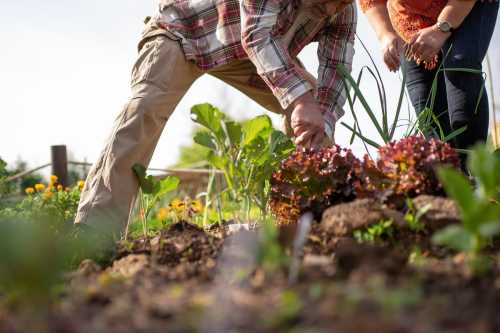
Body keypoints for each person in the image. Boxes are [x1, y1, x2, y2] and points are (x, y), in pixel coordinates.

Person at [74, 0, 357, 236]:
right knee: (146, 108)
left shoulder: (343, 10)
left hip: (245, 54)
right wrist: (300, 100)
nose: (331, 8)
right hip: (184, 32)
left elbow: (336, 70)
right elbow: (257, 33)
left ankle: (311, 222)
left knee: (315, 116)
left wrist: (319, 120)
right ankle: (94, 233)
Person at [360, 0, 499, 168]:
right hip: (410, 14)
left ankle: (474, 170)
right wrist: (385, 34)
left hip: (469, 5)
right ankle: (448, 177)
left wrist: (441, 29)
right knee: (426, 105)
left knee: (460, 65)